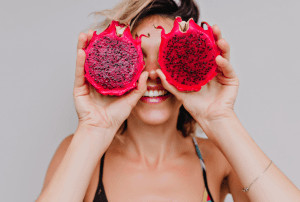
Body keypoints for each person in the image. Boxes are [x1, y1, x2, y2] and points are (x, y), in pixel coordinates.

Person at [36, 0, 300, 201]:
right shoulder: (82, 151)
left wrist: (220, 118)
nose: (152, 74)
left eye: (168, 56)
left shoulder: (217, 159)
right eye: (138, 57)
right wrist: (94, 128)